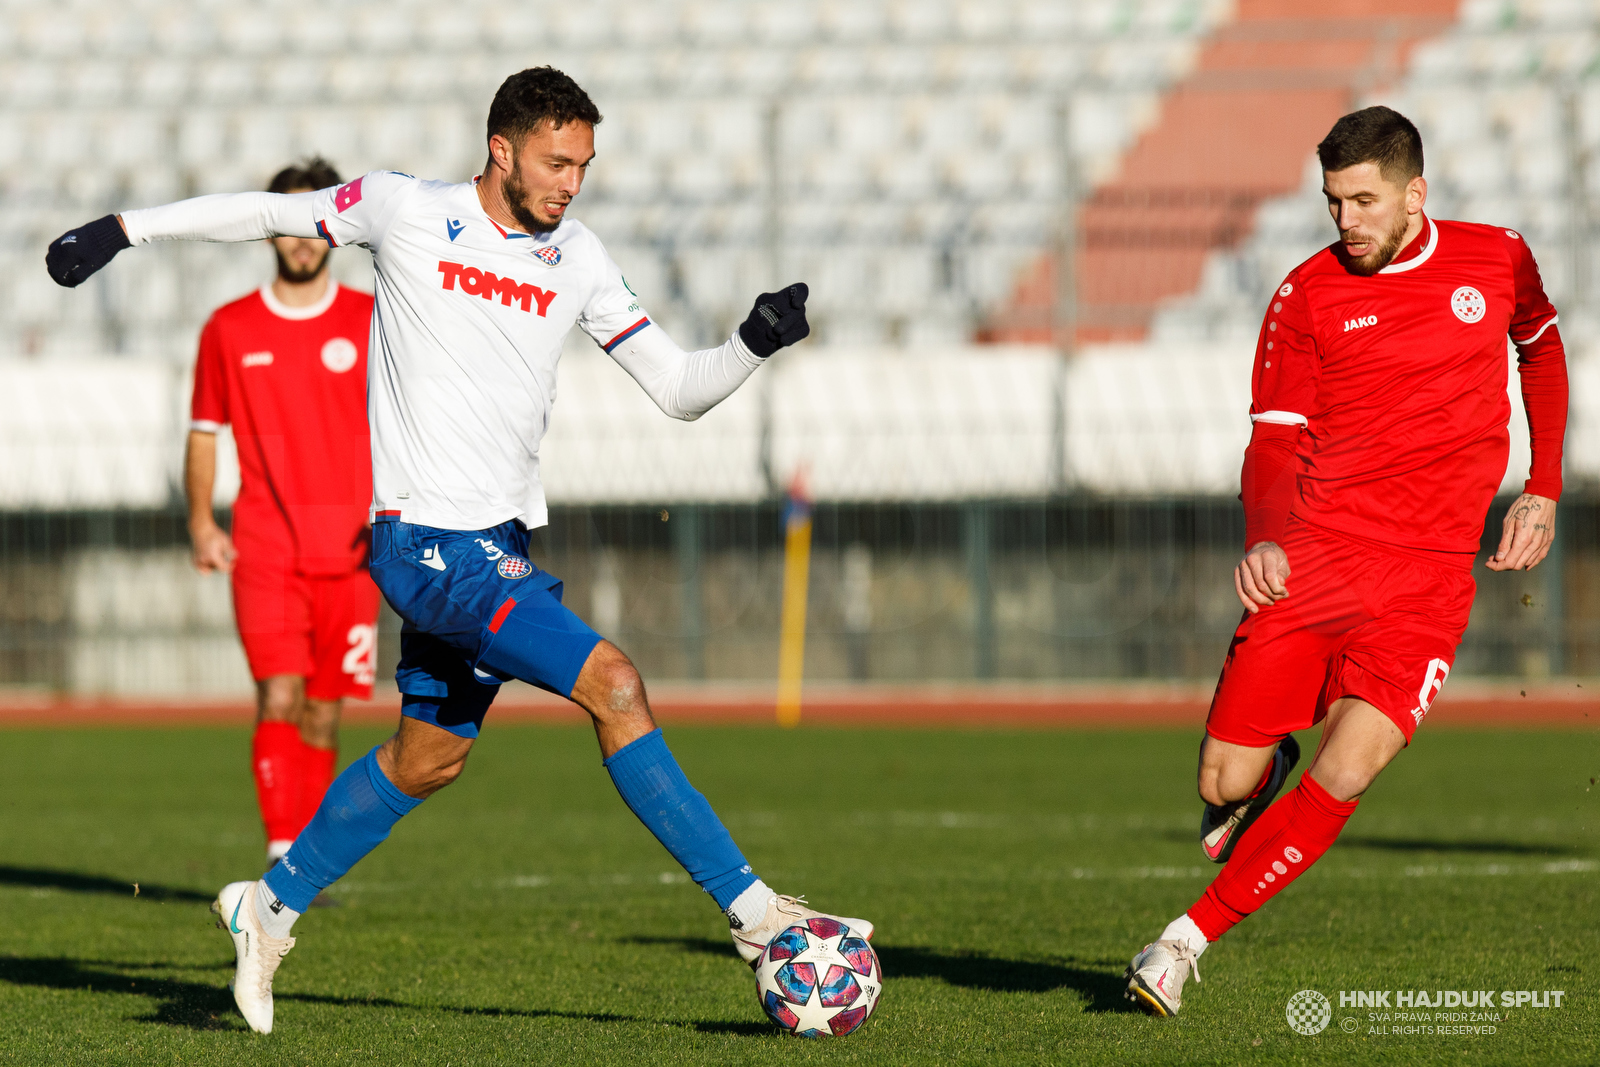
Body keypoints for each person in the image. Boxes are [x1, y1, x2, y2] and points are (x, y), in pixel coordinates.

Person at [46, 66, 874, 1035]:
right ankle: (754, 913)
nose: (571, 182)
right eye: (558, 161)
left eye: (585, 166)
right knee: (614, 683)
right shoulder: (404, 209)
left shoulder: (579, 257)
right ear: (502, 149)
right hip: (426, 545)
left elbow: (681, 389)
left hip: (498, 541)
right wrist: (124, 229)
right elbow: (270, 211)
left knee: (428, 755)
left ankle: (265, 906)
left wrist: (752, 342)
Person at [1120, 106, 1568, 1017]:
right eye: (1333, 201)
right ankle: (1264, 764)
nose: (1347, 220)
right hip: (1320, 556)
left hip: (1431, 577)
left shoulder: (1497, 257)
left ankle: (1181, 940)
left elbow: (1541, 347)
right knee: (1223, 783)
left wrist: (1544, 483)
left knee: (1352, 766)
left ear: (1416, 193)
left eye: (1364, 200)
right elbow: (1274, 442)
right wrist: (1266, 535)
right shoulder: (1305, 295)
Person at [185, 157, 378, 867]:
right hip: (264, 545)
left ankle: (303, 858)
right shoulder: (228, 329)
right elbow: (203, 432)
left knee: (323, 714)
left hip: (355, 552)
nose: (303, 239)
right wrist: (203, 520)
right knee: (279, 695)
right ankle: (280, 850)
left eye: (315, 224)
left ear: (334, 230)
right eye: (289, 223)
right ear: (269, 231)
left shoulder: (373, 321)